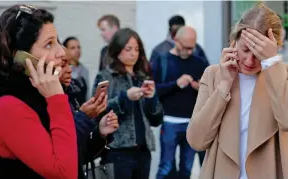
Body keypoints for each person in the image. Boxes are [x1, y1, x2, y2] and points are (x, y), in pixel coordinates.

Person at [187, 2, 288, 179]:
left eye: (258, 54)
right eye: (245, 49)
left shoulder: (281, 75)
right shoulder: (213, 74)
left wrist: (272, 63)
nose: (249, 61)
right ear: (233, 42)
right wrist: (224, 85)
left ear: (274, 48)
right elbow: (197, 140)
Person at [0, 4, 77, 178]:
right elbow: (65, 173)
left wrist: (97, 134)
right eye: (49, 44)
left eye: (57, 41)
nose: (62, 52)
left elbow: (70, 153)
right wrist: (57, 99)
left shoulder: (40, 95)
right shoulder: (8, 108)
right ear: (20, 58)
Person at [93, 28, 164, 179]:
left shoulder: (142, 76)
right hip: (117, 149)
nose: (134, 53)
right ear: (117, 50)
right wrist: (125, 97)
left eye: (137, 49)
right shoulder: (106, 76)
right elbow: (98, 111)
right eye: (128, 49)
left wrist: (152, 98)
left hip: (143, 149)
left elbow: (156, 119)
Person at [152, 26, 209, 179]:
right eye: (186, 47)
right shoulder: (161, 60)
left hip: (193, 123)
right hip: (170, 121)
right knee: (166, 167)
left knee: (186, 169)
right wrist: (176, 84)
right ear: (176, 41)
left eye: (192, 47)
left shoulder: (200, 62)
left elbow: (211, 91)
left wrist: (200, 88)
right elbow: (153, 90)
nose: (189, 51)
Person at [59, 47, 119, 179]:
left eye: (69, 64)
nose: (69, 69)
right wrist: (83, 116)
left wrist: (101, 132)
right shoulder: (44, 103)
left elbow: (81, 153)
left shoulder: (70, 95)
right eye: (63, 65)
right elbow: (62, 151)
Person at [63, 36, 90, 104]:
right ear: (65, 50)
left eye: (78, 47)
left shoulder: (84, 70)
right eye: (72, 48)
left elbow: (87, 95)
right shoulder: (62, 70)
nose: (77, 50)